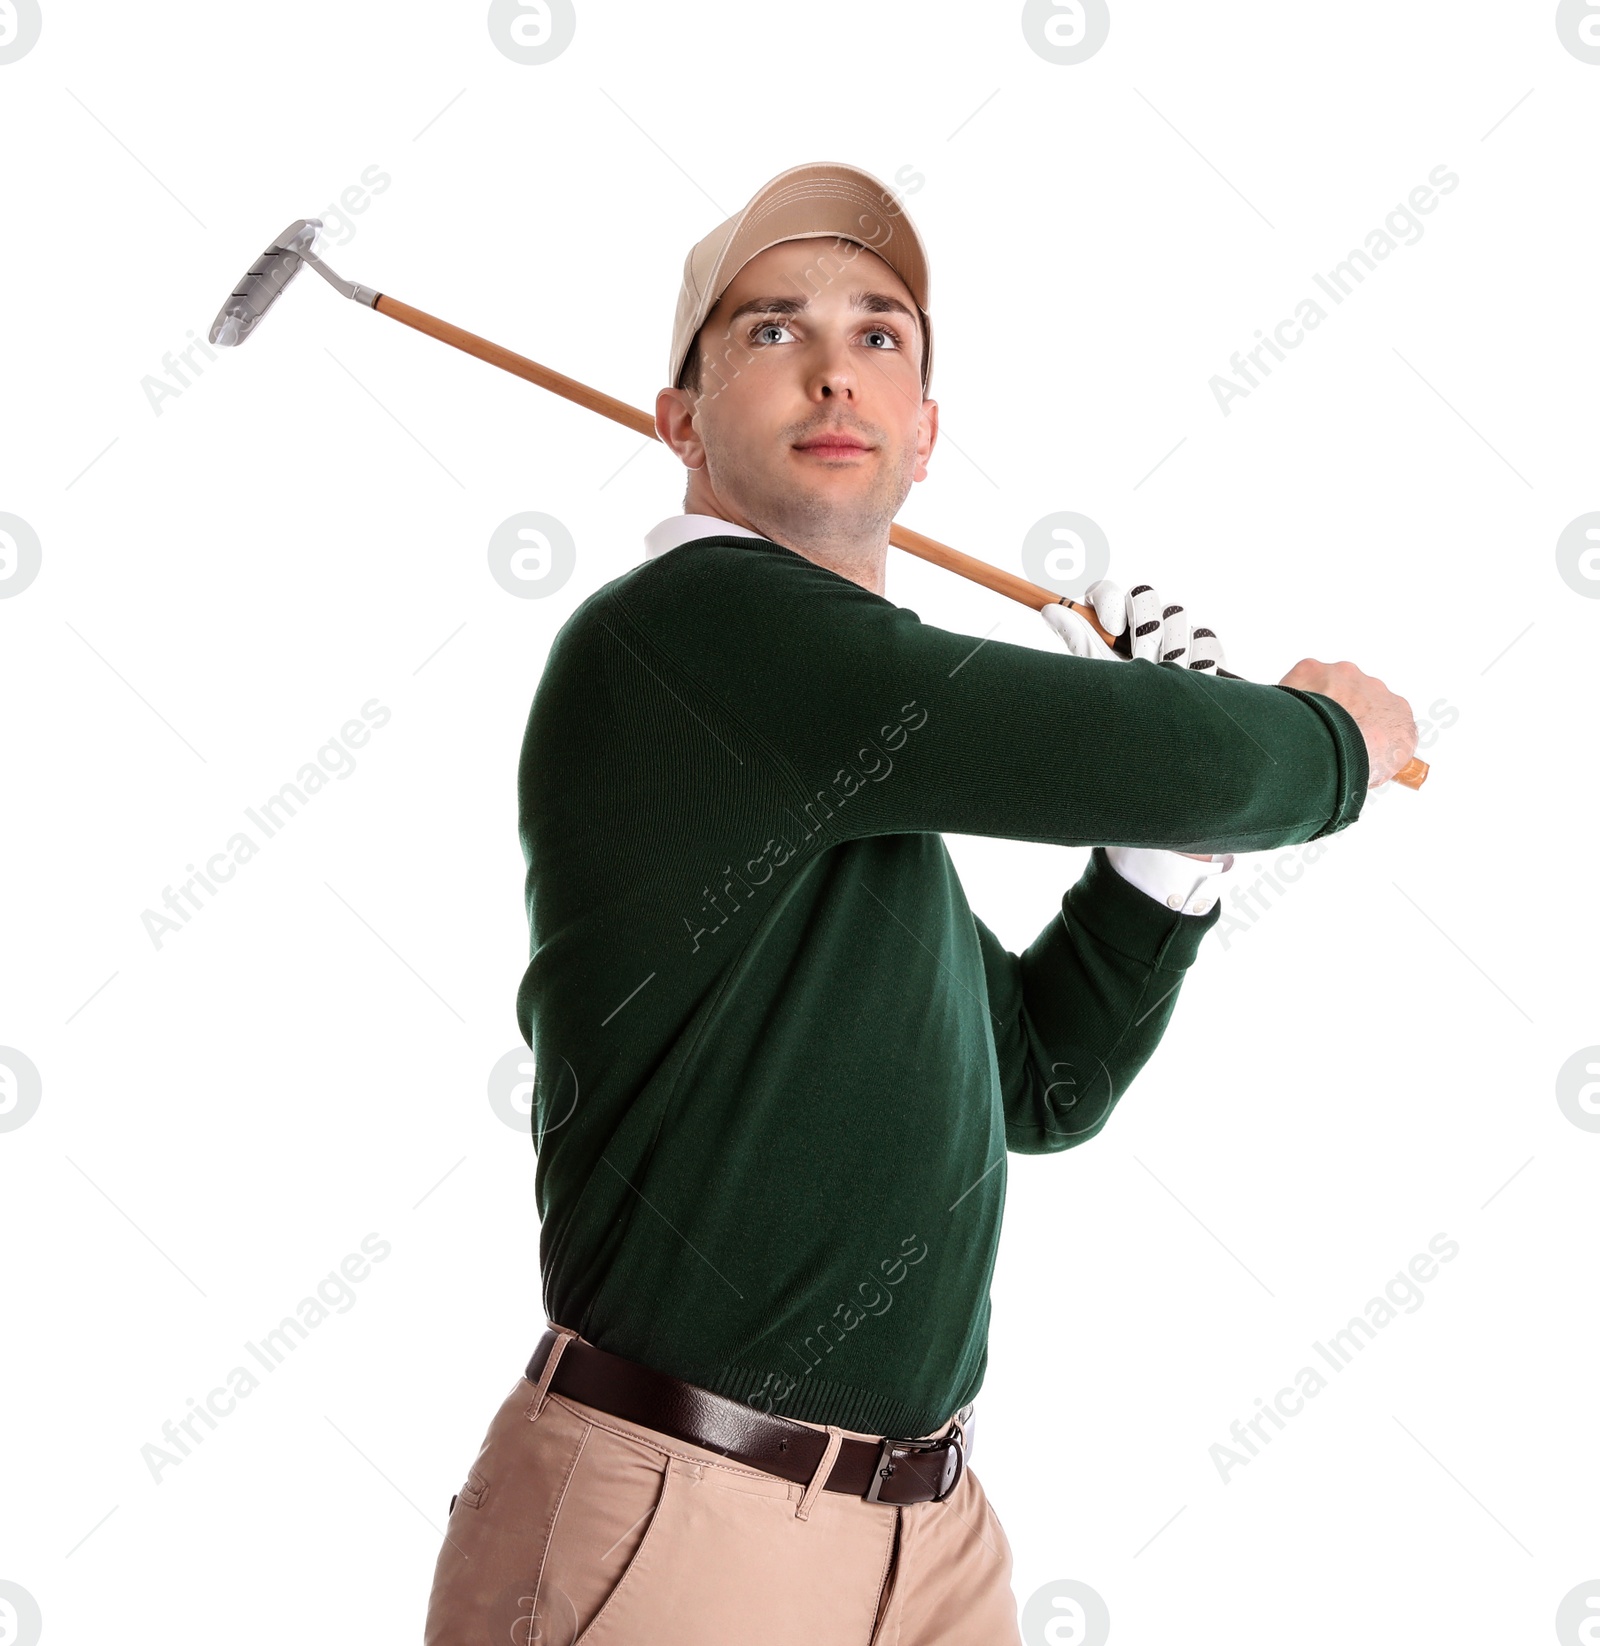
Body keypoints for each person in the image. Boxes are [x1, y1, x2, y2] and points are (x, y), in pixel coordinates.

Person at [423, 161, 1417, 1646]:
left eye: (882, 335)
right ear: (679, 420)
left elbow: (1037, 1079)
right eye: (770, 331)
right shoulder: (697, 635)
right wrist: (1327, 737)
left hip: (931, 1536)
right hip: (686, 1524)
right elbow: (1219, 761)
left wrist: (1175, 850)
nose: (835, 366)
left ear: (927, 434)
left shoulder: (833, 749)